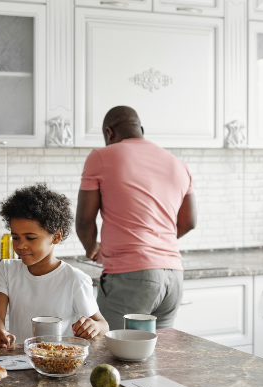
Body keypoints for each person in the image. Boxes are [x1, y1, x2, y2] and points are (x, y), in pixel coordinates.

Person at [76, 106, 197, 330]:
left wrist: (92, 248)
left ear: (108, 132)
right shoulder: (178, 164)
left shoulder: (101, 157)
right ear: (140, 129)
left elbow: (84, 221)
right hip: (173, 277)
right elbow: (189, 222)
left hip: (130, 275)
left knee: (110, 353)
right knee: (159, 354)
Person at [0, 184, 109, 348]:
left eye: (30, 238)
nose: (20, 245)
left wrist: (94, 326)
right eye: (15, 237)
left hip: (60, 362)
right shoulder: (7, 269)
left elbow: (102, 324)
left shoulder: (75, 279)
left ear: (56, 237)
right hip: (21, 359)